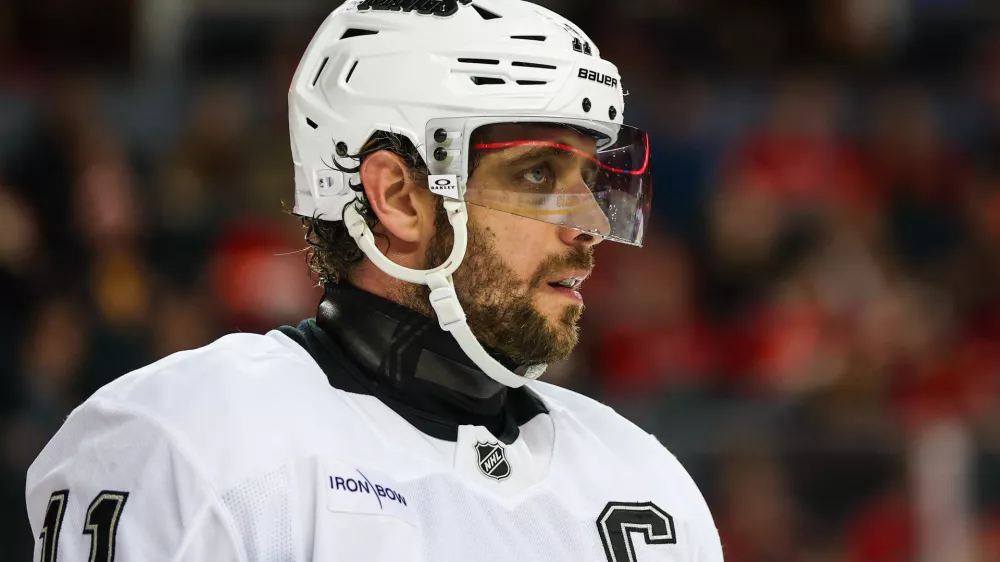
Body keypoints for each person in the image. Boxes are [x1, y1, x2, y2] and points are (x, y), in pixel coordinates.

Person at [25, 1, 723, 560]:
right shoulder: (189, 443)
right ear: (398, 197)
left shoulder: (643, 485)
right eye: (538, 175)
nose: (589, 225)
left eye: (591, 180)